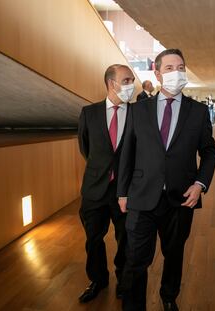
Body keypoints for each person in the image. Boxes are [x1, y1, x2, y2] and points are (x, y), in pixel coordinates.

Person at [117, 49, 215, 311]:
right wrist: (122, 192)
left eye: (181, 67)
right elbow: (127, 152)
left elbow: (209, 152)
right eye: (170, 68)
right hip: (141, 195)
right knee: (136, 258)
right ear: (158, 73)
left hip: (181, 198)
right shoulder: (138, 109)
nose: (177, 73)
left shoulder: (198, 111)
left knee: (174, 254)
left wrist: (200, 184)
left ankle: (169, 296)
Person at [77, 64, 135, 303]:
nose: (131, 85)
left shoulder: (137, 112)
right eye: (127, 80)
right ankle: (98, 280)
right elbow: (85, 148)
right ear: (112, 83)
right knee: (93, 239)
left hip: (126, 191)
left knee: (126, 240)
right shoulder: (89, 113)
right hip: (94, 189)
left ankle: (124, 281)